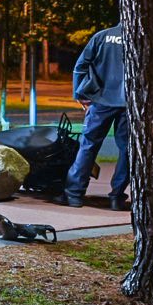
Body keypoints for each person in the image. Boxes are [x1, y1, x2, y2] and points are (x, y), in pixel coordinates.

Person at [54, 21, 130, 210]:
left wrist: (79, 94)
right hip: (128, 103)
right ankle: (116, 197)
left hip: (100, 100)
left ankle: (74, 194)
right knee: (127, 151)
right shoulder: (138, 37)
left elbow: (80, 66)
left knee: (88, 146)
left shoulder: (102, 36)